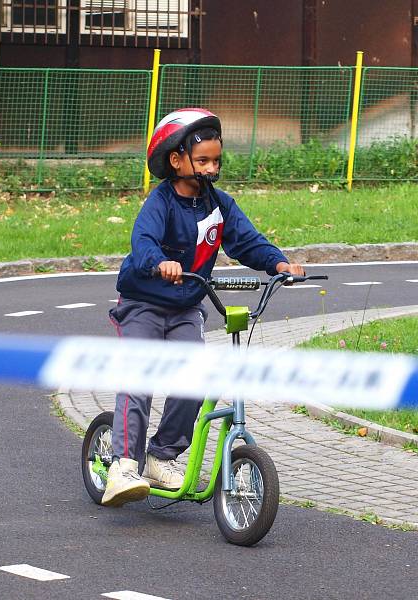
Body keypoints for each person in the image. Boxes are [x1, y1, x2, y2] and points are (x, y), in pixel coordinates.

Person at [101, 108, 305, 507]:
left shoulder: (219, 204)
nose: (212, 168)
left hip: (186, 306)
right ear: (176, 160)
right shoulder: (160, 203)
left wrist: (279, 263)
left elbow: (246, 240)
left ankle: (161, 456)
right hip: (143, 302)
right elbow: (142, 241)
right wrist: (159, 262)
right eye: (204, 161)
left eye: (217, 161)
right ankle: (123, 464)